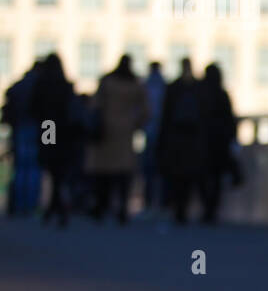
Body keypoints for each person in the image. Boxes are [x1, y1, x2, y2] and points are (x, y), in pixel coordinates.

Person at [85, 55, 150, 224]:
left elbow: (95, 104)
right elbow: (146, 110)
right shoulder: (135, 84)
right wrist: (136, 124)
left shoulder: (108, 81)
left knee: (103, 174)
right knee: (122, 175)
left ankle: (101, 207)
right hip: (125, 132)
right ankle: (121, 209)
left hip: (106, 131)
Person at [157, 58, 208, 224]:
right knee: (189, 176)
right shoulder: (198, 88)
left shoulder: (173, 87)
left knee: (177, 177)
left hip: (176, 140)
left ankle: (179, 209)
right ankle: (185, 208)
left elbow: (165, 116)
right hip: (193, 140)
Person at [30, 54, 78, 226]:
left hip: (48, 127)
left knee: (51, 168)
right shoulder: (65, 85)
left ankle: (53, 208)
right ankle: (55, 207)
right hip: (63, 131)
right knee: (58, 171)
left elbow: (34, 108)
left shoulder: (43, 85)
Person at [2, 60, 43, 216]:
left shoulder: (19, 86)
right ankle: (30, 204)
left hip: (19, 129)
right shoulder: (41, 87)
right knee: (33, 169)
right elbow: (47, 118)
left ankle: (18, 203)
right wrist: (50, 139)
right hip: (36, 131)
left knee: (20, 168)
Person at [197, 62, 236, 224]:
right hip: (219, 142)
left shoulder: (199, 93)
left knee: (202, 176)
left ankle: (207, 207)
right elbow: (230, 119)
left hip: (202, 141)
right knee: (216, 178)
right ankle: (212, 209)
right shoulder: (222, 94)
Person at [141, 61, 167, 215]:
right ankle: (161, 201)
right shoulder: (164, 86)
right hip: (159, 133)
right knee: (159, 169)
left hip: (150, 132)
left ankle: (149, 199)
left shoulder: (146, 86)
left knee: (149, 169)